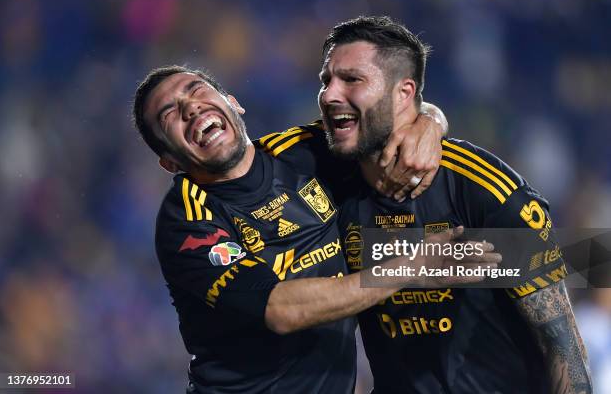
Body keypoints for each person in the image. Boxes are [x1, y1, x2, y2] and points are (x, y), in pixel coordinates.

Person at [132, 66, 499, 393]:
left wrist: (430, 124)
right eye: (169, 115)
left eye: (196, 91)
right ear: (169, 162)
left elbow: (399, 121)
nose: (190, 108)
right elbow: (281, 310)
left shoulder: (302, 152)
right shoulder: (187, 220)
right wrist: (412, 267)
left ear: (232, 103)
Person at [317, 16, 592, 393]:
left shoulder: (485, 191)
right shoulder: (325, 180)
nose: (330, 94)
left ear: (403, 93)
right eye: (326, 80)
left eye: (351, 79)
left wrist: (430, 119)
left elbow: (561, 346)